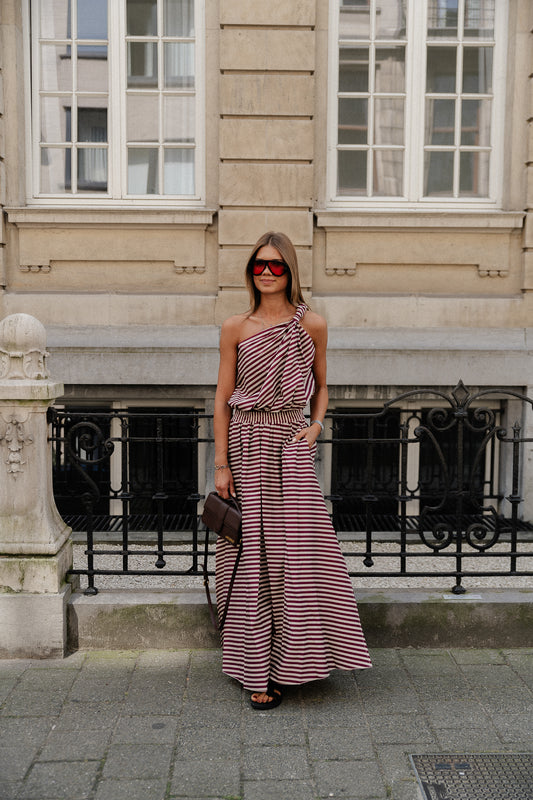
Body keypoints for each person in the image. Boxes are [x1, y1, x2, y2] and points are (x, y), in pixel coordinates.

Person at [213, 231, 372, 710]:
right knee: (252, 554)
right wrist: (221, 465)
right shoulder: (234, 327)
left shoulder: (313, 325)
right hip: (244, 442)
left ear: (290, 272)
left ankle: (296, 661)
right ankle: (253, 665)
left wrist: (316, 426)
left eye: (276, 266)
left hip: (291, 444)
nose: (266, 272)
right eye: (259, 265)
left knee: (296, 554)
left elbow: (323, 386)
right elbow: (220, 400)